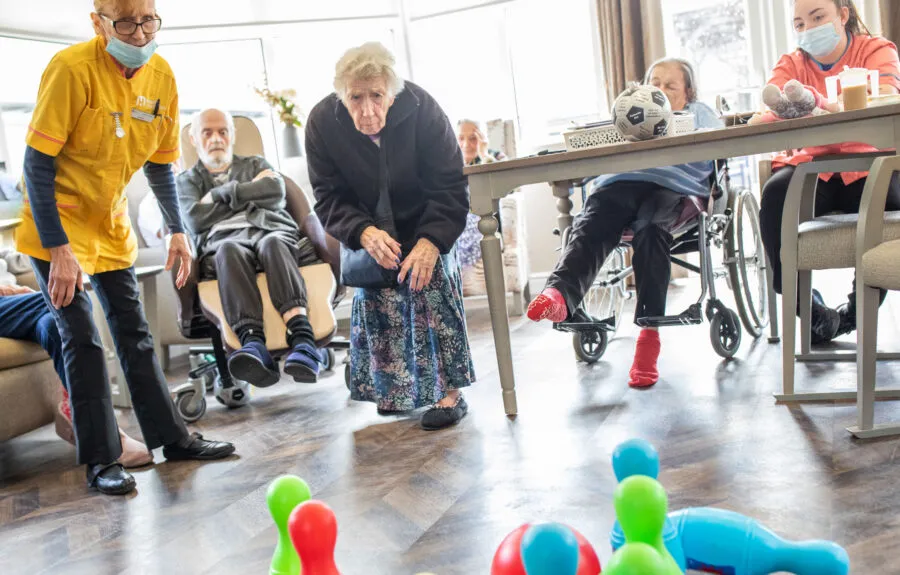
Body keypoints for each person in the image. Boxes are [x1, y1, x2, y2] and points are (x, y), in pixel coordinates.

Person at [16, 0, 234, 496]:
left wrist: (178, 228)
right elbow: (36, 165)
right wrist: (59, 249)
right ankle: (101, 459)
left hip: (110, 226)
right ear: (98, 22)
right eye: (126, 22)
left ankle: (173, 439)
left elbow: (160, 164)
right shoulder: (70, 70)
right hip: (58, 228)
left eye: (148, 20)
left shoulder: (162, 77)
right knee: (82, 338)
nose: (139, 34)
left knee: (133, 334)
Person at [305, 42, 475, 430]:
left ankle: (450, 393)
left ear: (392, 93)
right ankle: (397, 392)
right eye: (355, 98)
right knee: (376, 292)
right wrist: (362, 232)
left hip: (425, 220)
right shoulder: (322, 123)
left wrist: (431, 242)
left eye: (376, 96)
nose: (367, 110)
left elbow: (449, 186)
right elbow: (328, 197)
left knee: (426, 281)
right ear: (341, 95)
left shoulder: (423, 109)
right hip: (368, 229)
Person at [527, 58, 724, 388]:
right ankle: (559, 295)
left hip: (672, 186)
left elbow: (716, 147)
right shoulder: (629, 112)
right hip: (621, 181)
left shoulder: (699, 113)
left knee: (650, 226)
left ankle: (648, 338)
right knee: (593, 220)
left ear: (688, 93)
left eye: (670, 86)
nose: (659, 91)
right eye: (654, 83)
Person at [759, 0, 900, 344]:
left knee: (893, 196)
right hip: (811, 169)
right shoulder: (791, 64)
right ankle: (806, 309)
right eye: (799, 23)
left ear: (843, 14)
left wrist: (820, 104)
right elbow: (772, 108)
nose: (808, 28)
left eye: (818, 17)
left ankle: (856, 310)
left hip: (870, 164)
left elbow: (885, 97)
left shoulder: (876, 50)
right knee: (775, 196)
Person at [177, 108, 322, 386]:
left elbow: (276, 193)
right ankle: (253, 344)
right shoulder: (186, 181)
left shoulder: (256, 163)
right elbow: (194, 219)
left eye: (223, 131)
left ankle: (303, 341)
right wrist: (250, 193)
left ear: (232, 135)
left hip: (271, 230)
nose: (216, 138)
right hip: (225, 241)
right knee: (229, 250)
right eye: (207, 132)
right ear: (195, 139)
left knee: (273, 242)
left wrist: (219, 195)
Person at [0, 252, 151, 468]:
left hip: (15, 302)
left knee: (57, 325)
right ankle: (106, 437)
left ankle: (75, 411)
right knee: (70, 301)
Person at [455, 119, 506, 272]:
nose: (466, 144)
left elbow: (506, 184)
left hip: (484, 221)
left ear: (482, 138)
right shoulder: (450, 161)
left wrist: (483, 154)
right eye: (461, 138)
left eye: (473, 138)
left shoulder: (495, 157)